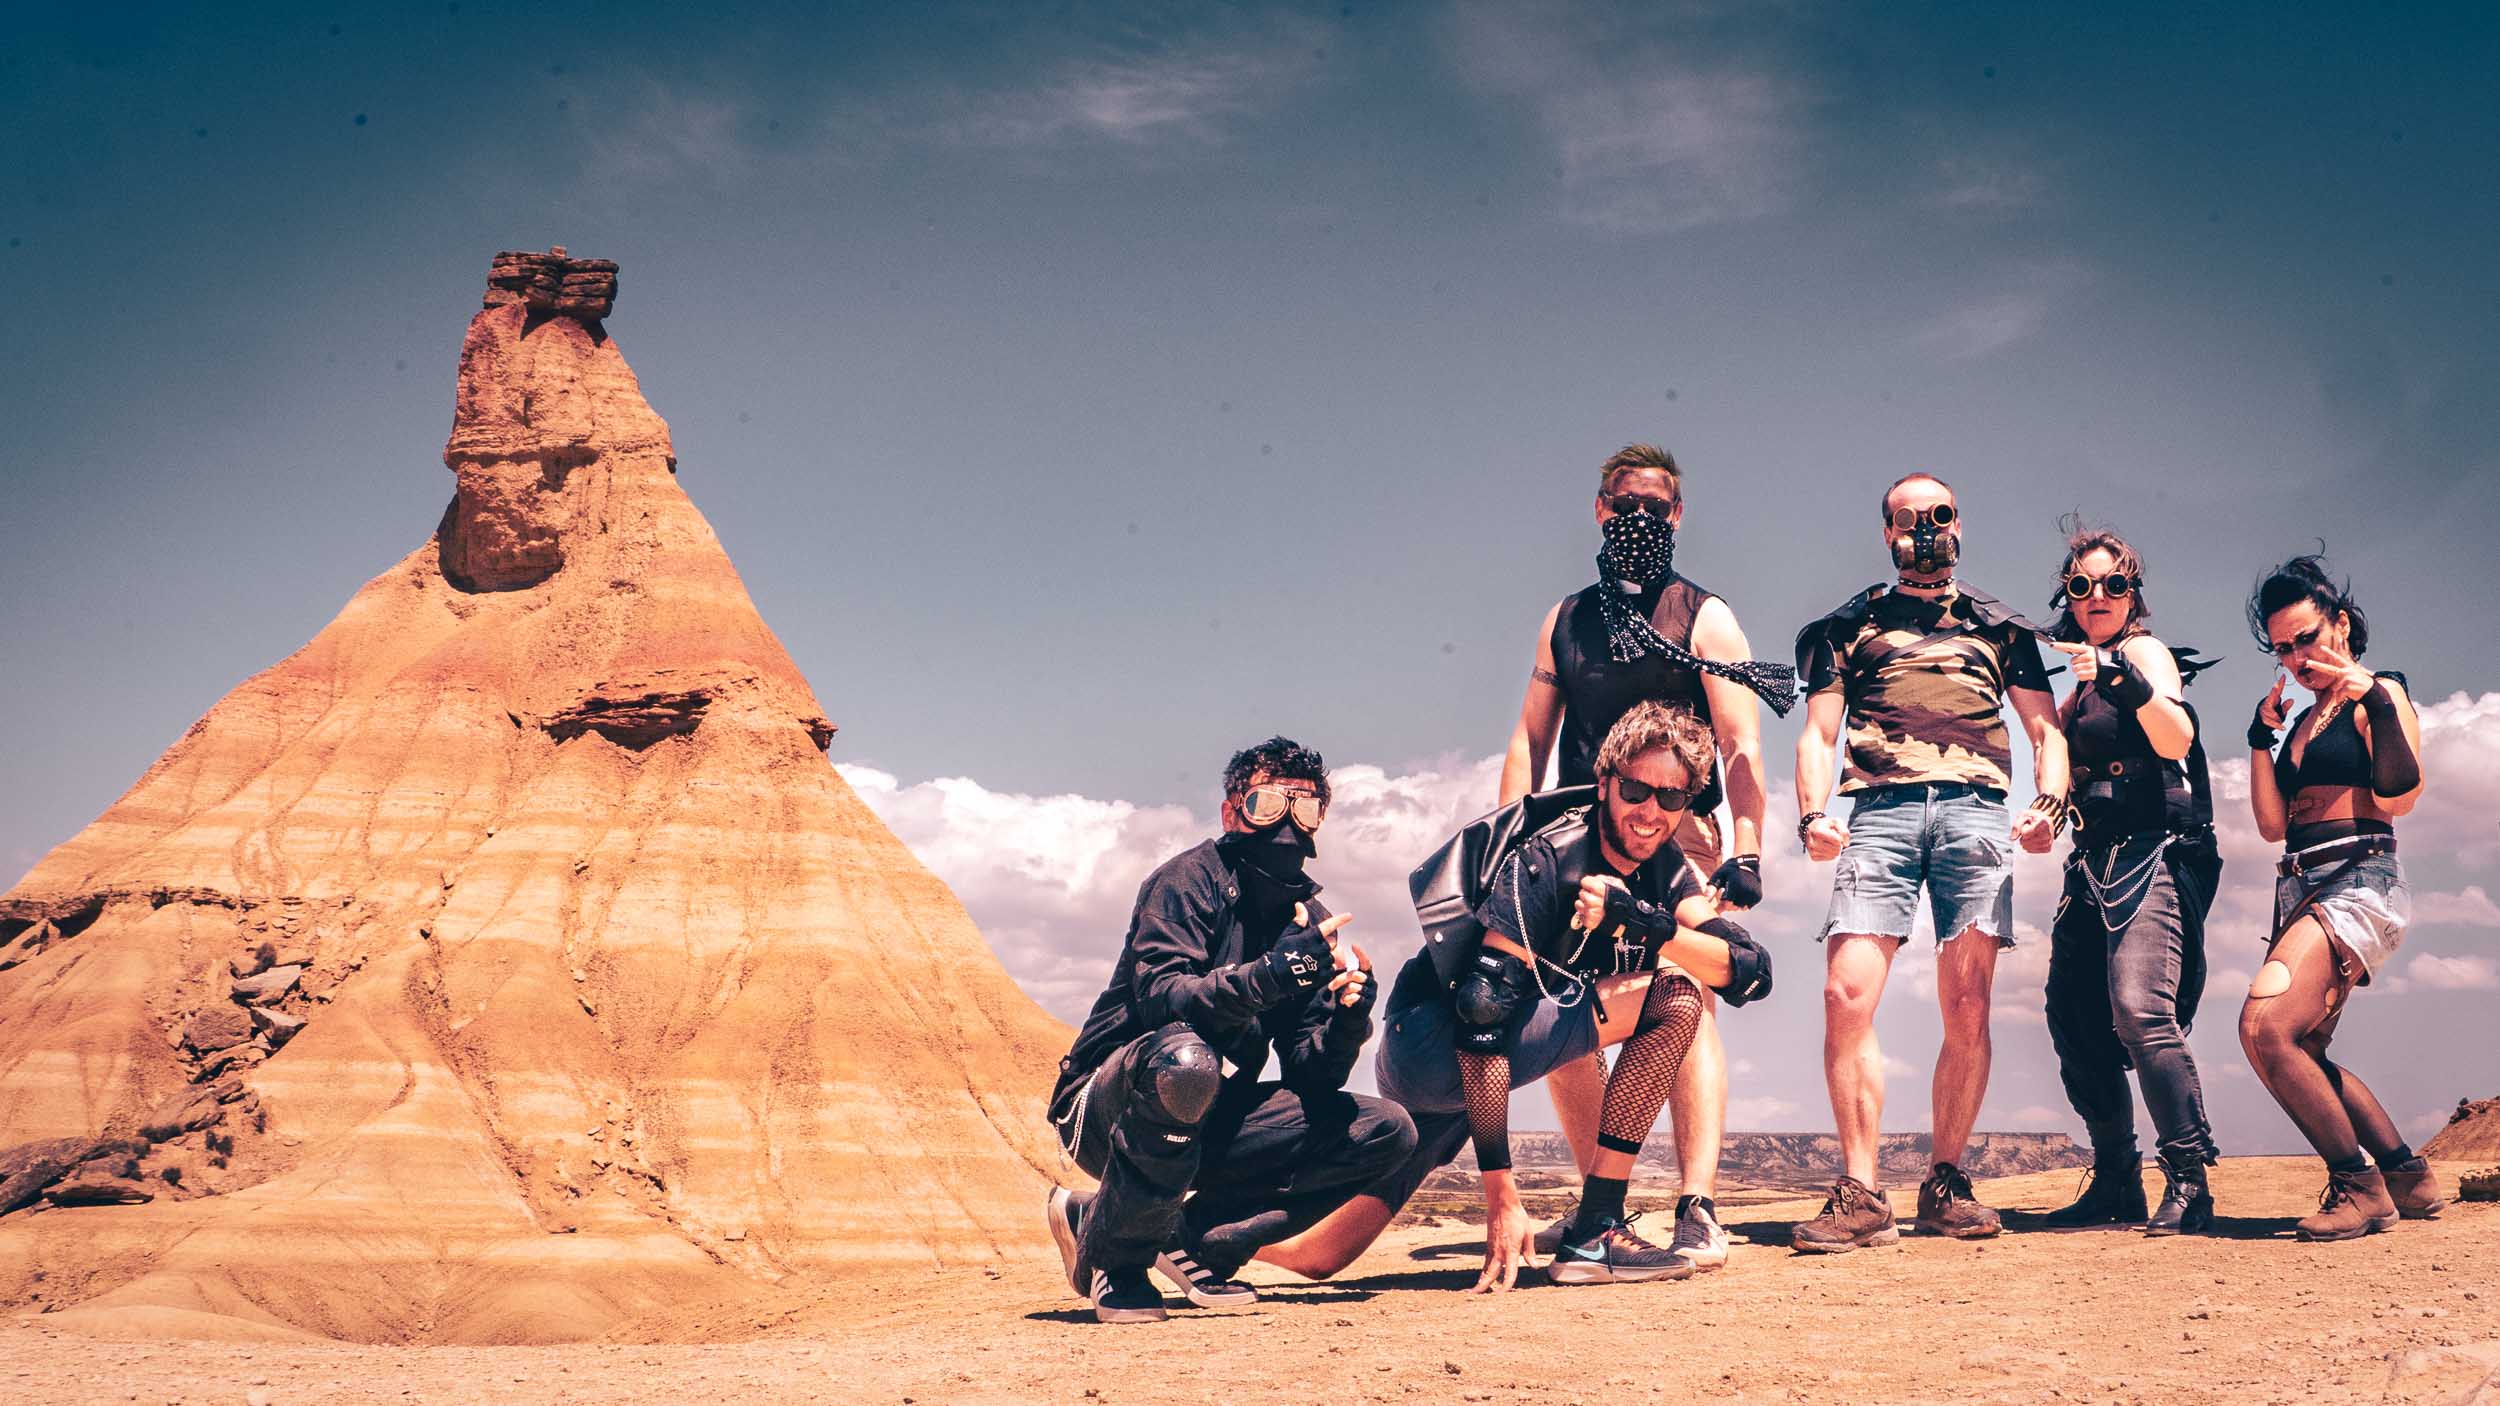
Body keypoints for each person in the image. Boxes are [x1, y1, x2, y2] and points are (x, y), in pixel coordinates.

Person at [1253, 701, 1774, 1291]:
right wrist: (1501, 1191)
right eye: (1635, 790)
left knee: (1319, 1256)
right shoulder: (1551, 856)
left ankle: (1193, 1239)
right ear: (1605, 783)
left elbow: (1750, 973)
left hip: (1467, 1066)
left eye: (1671, 797)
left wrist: (1643, 923)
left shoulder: (1664, 869)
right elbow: (1481, 1012)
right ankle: (1596, 1229)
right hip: (1435, 1042)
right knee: (1673, 994)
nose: (1650, 812)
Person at [1487, 443, 1797, 1273]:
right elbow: (1529, 734)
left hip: (1676, 835)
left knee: (1684, 994)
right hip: (1578, 841)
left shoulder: (1706, 616)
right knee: (1569, 1015)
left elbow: (1739, 740)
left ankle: (1697, 1207)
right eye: (1625, 504)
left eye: (1656, 507)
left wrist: (1747, 847)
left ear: (1678, 516)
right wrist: (1509, 831)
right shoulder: (1565, 619)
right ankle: (1602, 1209)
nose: (1640, 519)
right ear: (1599, 508)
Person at [1042, 737, 1418, 1322]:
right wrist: (1268, 976)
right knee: (1186, 1060)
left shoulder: (1309, 926)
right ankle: (1117, 1261)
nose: (1288, 823)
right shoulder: (1186, 882)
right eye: (1268, 804)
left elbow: (1310, 1078)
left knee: (1384, 1130)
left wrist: (1348, 1020)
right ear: (1231, 811)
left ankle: (1187, 1240)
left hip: (1204, 1115)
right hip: (1101, 1106)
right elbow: (1162, 1000)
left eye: (1307, 807)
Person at [1790, 472, 2066, 1251]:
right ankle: (1861, 1193)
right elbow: (1817, 733)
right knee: (1846, 993)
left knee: (1969, 1001)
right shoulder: (1849, 626)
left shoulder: (1999, 627)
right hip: (1877, 814)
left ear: (1959, 523)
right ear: (1887, 533)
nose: (1926, 529)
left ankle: (1944, 1184)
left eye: (1939, 515)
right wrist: (1813, 814)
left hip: (1976, 813)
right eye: (1909, 519)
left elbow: (2045, 731)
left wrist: (2049, 803)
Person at [2240, 555, 2445, 1240]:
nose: (2298, 657)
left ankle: (2358, 1189)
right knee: (2302, 1048)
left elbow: (2402, 796)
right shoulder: (2301, 723)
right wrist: (2261, 740)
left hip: (2360, 881)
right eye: (2283, 648)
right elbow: (2272, 825)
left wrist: (2377, 698)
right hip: (2301, 885)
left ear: (2343, 624)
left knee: (2265, 1029)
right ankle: (2406, 1175)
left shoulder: (2377, 693)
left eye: (2307, 638)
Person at [2035, 524, 2225, 1235]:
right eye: (2082, 586)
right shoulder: (2077, 679)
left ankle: (2188, 1179)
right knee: (2073, 1020)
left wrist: (2129, 680)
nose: (2097, 596)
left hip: (2153, 848)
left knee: (2140, 1009)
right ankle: (2117, 1177)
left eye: (2113, 583)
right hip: (2091, 859)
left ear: (2132, 592)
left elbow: (2176, 736)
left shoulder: (2139, 653)